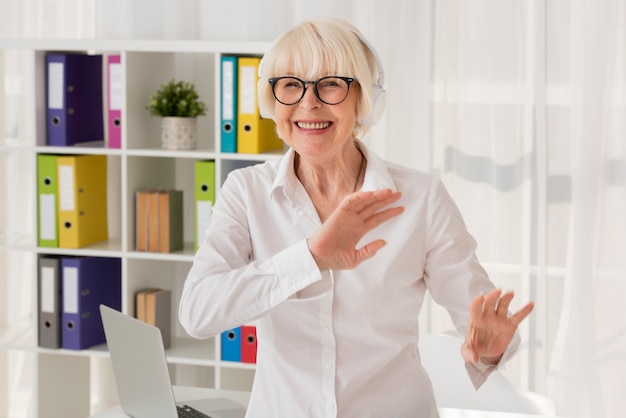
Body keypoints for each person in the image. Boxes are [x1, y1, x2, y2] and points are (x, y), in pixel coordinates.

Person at [179, 17, 534, 417]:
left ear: (364, 99)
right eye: (290, 85)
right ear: (271, 100)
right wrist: (310, 256)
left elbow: (477, 315)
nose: (308, 103)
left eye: (330, 84)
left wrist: (492, 347)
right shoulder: (245, 193)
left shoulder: (421, 198)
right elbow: (198, 314)